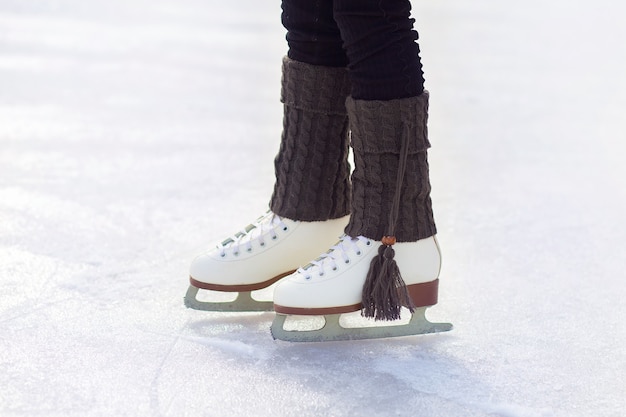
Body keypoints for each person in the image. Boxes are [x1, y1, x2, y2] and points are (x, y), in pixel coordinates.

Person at [185, 0, 451, 341]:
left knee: (371, 13)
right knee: (310, 12)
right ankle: (310, 214)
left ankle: (399, 233)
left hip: (391, 237)